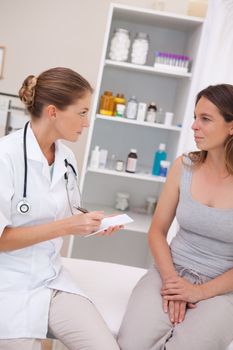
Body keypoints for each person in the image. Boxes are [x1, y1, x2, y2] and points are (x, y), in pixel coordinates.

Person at [0, 67, 121, 350]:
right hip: (8, 283)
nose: (87, 122)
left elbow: (67, 213)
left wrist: (92, 224)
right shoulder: (5, 157)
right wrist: (68, 227)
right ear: (53, 112)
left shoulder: (66, 158)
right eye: (81, 113)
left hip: (51, 278)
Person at [117, 84, 233, 350]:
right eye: (195, 117)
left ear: (231, 127)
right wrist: (173, 283)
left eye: (205, 119)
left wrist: (198, 292)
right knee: (132, 344)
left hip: (222, 289)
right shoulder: (185, 166)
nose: (194, 125)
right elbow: (157, 231)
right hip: (170, 271)